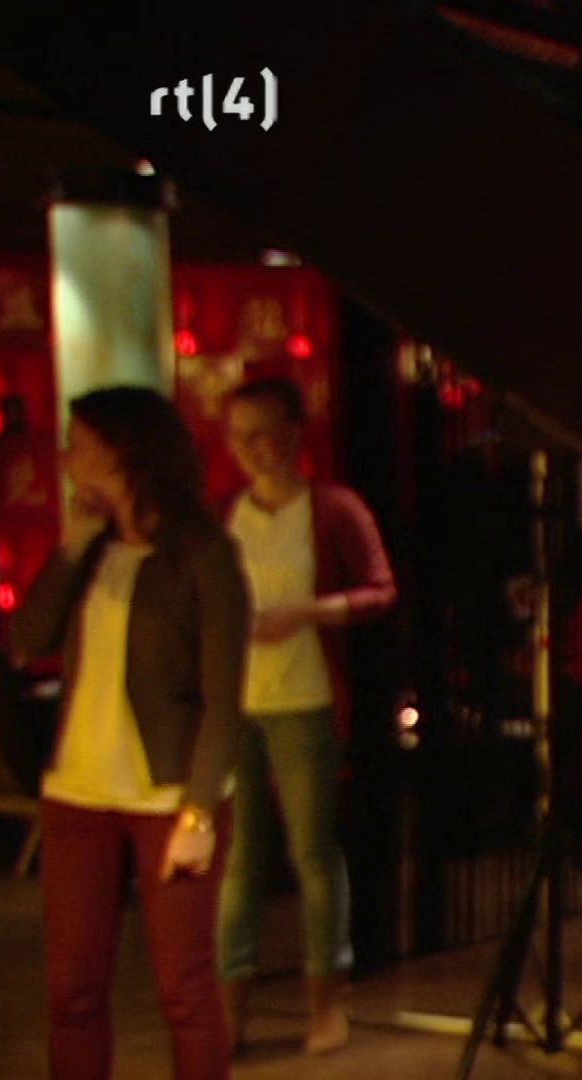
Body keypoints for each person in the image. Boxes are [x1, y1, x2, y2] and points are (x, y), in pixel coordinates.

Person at [10, 385, 248, 1080]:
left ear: (126, 451)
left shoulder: (202, 552)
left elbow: (223, 700)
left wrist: (198, 811)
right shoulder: (94, 549)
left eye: (80, 446)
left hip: (167, 795)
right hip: (78, 792)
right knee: (73, 990)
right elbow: (28, 640)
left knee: (184, 990)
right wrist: (71, 546)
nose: (67, 459)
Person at [215, 376, 396, 1055]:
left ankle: (328, 998)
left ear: (295, 433)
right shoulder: (226, 515)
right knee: (238, 860)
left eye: (264, 434)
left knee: (313, 853)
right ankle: (229, 1006)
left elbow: (381, 590)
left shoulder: (332, 509)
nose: (251, 449)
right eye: (240, 437)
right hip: (237, 704)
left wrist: (308, 613)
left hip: (306, 700)